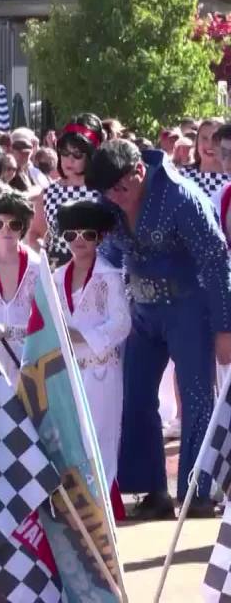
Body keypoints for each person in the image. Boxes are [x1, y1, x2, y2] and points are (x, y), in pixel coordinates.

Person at [88, 139, 231, 519]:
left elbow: (216, 260)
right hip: (141, 310)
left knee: (197, 396)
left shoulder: (182, 197)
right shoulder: (109, 206)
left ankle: (198, 490)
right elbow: (109, 254)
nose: (116, 197)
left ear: (138, 171)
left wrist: (224, 327)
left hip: (190, 308)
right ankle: (150, 488)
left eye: (121, 188)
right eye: (108, 191)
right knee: (134, 395)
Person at [53, 200, 131, 490]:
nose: (78, 241)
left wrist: (83, 336)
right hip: (68, 371)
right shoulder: (56, 278)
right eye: (71, 235)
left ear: (99, 237)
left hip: (101, 369)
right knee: (70, 436)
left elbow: (122, 323)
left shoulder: (110, 276)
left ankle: (103, 504)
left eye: (87, 234)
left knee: (102, 435)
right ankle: (77, 502)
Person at [0, 192, 39, 380]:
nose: (6, 230)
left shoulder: (37, 267)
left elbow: (46, 317)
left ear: (23, 228)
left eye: (14, 224)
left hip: (26, 359)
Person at [30, 115, 105, 265]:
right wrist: (47, 264)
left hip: (95, 271)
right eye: (64, 152)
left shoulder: (104, 193)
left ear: (91, 155)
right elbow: (34, 234)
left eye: (77, 154)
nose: (69, 160)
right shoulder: (49, 193)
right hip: (57, 274)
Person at [185, 118, 229, 201]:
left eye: (216, 139)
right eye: (204, 138)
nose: (209, 144)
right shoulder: (181, 176)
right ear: (197, 141)